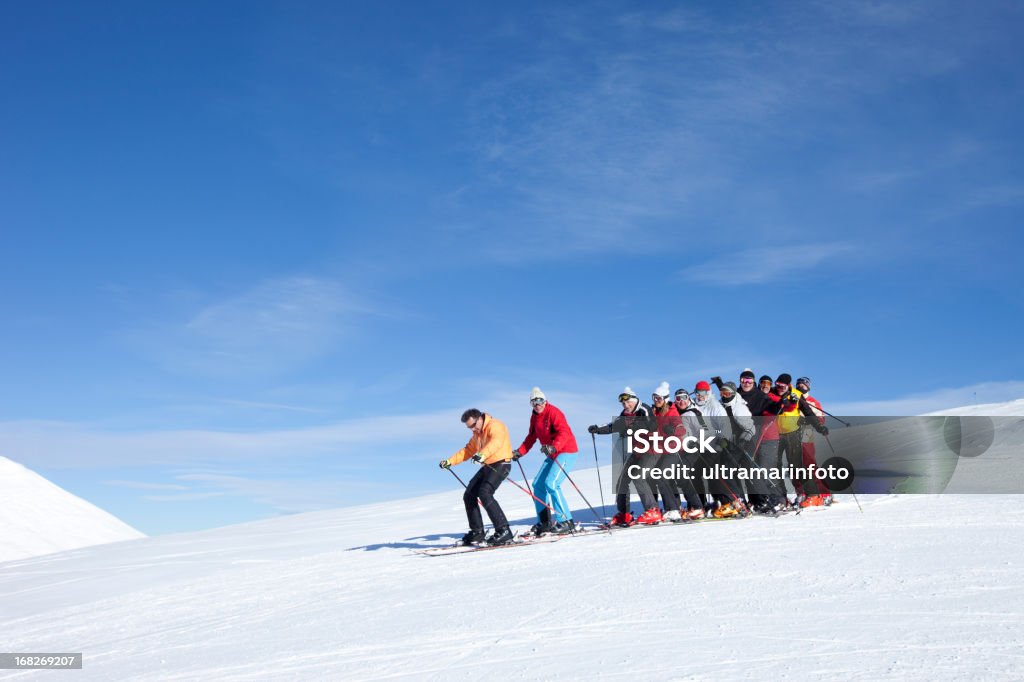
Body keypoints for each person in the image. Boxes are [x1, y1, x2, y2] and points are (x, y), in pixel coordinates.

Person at [440, 408, 515, 546]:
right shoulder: (477, 434)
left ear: (480, 418)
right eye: (469, 428)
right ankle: (477, 532)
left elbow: (496, 442)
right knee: (469, 495)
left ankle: (504, 531)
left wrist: (482, 455)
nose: (473, 429)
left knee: (485, 493)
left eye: (474, 425)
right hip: (487, 466)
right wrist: (450, 461)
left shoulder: (495, 425)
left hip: (501, 463)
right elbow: (468, 450)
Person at [588, 387, 661, 526]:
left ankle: (653, 510)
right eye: (623, 404)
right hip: (637, 451)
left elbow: (652, 425)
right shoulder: (625, 414)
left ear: (634, 400)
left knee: (638, 476)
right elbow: (613, 426)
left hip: (652, 448)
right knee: (622, 481)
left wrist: (634, 427)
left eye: (628, 403)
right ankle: (624, 514)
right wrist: (598, 429)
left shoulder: (643, 409)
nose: (626, 406)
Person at [514, 387, 580, 535]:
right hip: (552, 454)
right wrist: (520, 452)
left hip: (566, 451)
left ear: (545, 401)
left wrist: (554, 447)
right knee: (537, 484)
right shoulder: (534, 417)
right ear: (531, 404)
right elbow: (531, 437)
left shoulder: (554, 412)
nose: (538, 404)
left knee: (552, 483)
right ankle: (544, 522)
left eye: (540, 401)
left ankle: (566, 521)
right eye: (534, 402)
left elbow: (564, 432)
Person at [763, 374, 828, 508]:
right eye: (778, 385)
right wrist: (782, 402)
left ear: (789, 385)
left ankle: (814, 495)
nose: (780, 388)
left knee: (797, 466)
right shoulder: (771, 394)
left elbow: (809, 413)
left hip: (793, 435)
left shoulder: (797, 395)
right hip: (776, 435)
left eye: (783, 386)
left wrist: (819, 426)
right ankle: (782, 499)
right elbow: (767, 407)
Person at [693, 381, 746, 518]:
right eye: (698, 393)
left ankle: (732, 502)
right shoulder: (694, 406)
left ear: (709, 393)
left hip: (715, 446)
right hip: (701, 446)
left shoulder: (714, 406)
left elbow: (725, 426)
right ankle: (718, 502)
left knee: (717, 476)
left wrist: (722, 439)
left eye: (703, 393)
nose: (700, 396)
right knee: (705, 476)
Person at [673, 389, 711, 519]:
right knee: (692, 477)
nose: (681, 401)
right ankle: (697, 505)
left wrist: (697, 442)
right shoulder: (676, 413)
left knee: (682, 474)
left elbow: (704, 430)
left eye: (684, 398)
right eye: (678, 398)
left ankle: (698, 506)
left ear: (689, 399)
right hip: (682, 451)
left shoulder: (692, 413)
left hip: (694, 448)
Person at [650, 382, 685, 522]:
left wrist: (674, 431)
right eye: (654, 398)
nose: (656, 401)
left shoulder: (672, 411)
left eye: (659, 399)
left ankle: (673, 509)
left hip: (673, 450)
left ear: (665, 399)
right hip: (661, 450)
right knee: (665, 479)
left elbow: (681, 429)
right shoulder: (655, 412)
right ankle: (673, 507)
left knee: (660, 476)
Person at [796, 377, 831, 506]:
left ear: (808, 387)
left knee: (808, 461)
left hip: (806, 431)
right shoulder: (792, 397)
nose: (801, 386)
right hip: (791, 433)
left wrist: (807, 420)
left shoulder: (812, 401)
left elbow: (821, 419)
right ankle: (802, 493)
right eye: (799, 384)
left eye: (804, 385)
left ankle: (824, 493)